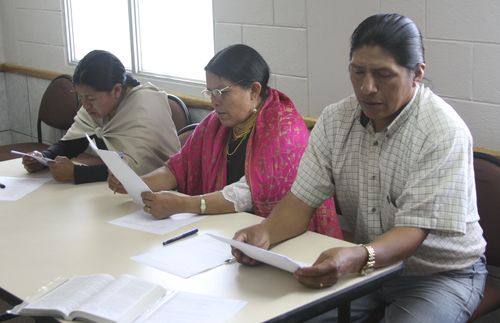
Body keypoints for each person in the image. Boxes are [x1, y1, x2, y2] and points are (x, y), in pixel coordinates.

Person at [232, 14, 487, 322]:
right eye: (358, 72)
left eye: (383, 75)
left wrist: (356, 257)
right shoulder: (336, 120)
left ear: (417, 73)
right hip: (370, 267)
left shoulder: (442, 131)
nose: (367, 88)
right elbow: (300, 201)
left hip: (438, 276)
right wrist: (264, 234)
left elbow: (412, 232)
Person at [109, 44, 342, 239]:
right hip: (226, 232)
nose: (214, 102)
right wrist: (138, 183)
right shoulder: (215, 124)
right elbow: (179, 167)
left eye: (222, 92)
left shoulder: (284, 129)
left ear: (253, 90)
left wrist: (183, 204)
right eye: (210, 92)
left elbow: (247, 193)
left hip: (284, 239)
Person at [22, 50, 180, 184]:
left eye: (90, 98)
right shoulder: (97, 107)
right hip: (115, 188)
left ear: (116, 90)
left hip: (160, 191)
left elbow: (137, 170)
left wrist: (77, 173)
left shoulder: (145, 104)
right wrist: (43, 158)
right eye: (80, 97)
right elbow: (72, 143)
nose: (85, 105)